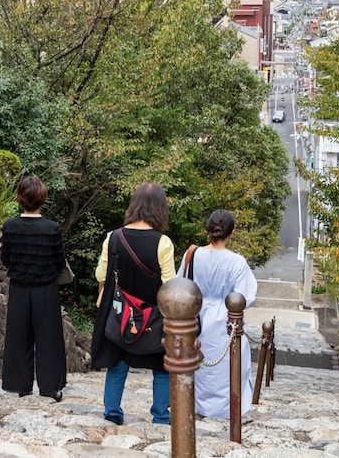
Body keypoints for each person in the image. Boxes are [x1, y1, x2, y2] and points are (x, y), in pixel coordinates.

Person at [91, 182, 176, 425]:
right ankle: (161, 416)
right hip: (153, 316)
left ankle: (112, 413)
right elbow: (169, 285)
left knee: (117, 364)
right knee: (161, 367)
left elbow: (101, 274)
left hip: (120, 314)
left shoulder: (114, 237)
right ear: (160, 208)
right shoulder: (163, 242)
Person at [177, 209, 258, 418]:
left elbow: (180, 285)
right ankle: (227, 408)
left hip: (196, 316)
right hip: (227, 319)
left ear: (208, 230)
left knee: (199, 364)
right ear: (232, 232)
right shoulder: (236, 261)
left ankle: (196, 405)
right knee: (226, 367)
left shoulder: (192, 255)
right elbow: (246, 296)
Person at [0, 176, 67, 401]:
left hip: (19, 287)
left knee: (19, 336)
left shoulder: (10, 227)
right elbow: (59, 261)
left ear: (20, 197)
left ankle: (21, 385)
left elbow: (6, 258)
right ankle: (50, 387)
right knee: (49, 338)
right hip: (45, 288)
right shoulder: (51, 228)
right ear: (42, 198)